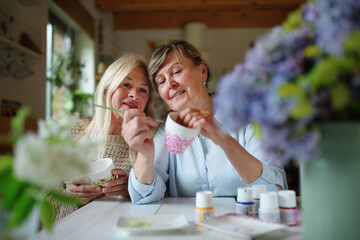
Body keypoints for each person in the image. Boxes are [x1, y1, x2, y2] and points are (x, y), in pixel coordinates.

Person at [122, 40, 288, 204]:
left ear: (202, 71)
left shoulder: (248, 116)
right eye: (161, 81)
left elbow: (275, 189)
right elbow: (142, 196)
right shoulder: (167, 129)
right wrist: (145, 155)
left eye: (176, 72)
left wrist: (223, 138)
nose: (170, 84)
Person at [55, 53, 155, 219]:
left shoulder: (148, 142)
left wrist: (131, 190)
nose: (134, 95)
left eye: (143, 90)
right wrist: (74, 200)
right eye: (126, 84)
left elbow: (159, 200)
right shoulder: (70, 133)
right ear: (107, 89)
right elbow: (42, 201)